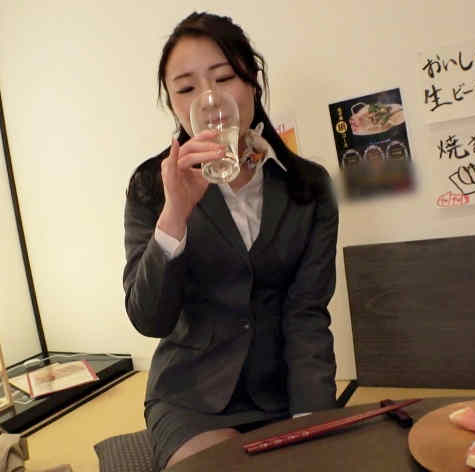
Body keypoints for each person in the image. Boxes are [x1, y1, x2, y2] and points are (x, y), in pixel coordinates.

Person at [123, 12, 338, 470]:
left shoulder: (308, 186)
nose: (209, 100)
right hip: (191, 399)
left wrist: (312, 418)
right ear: (173, 105)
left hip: (283, 392)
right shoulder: (151, 185)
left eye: (223, 78)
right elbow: (149, 319)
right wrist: (175, 213)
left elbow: (306, 315)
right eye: (186, 89)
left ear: (252, 83)